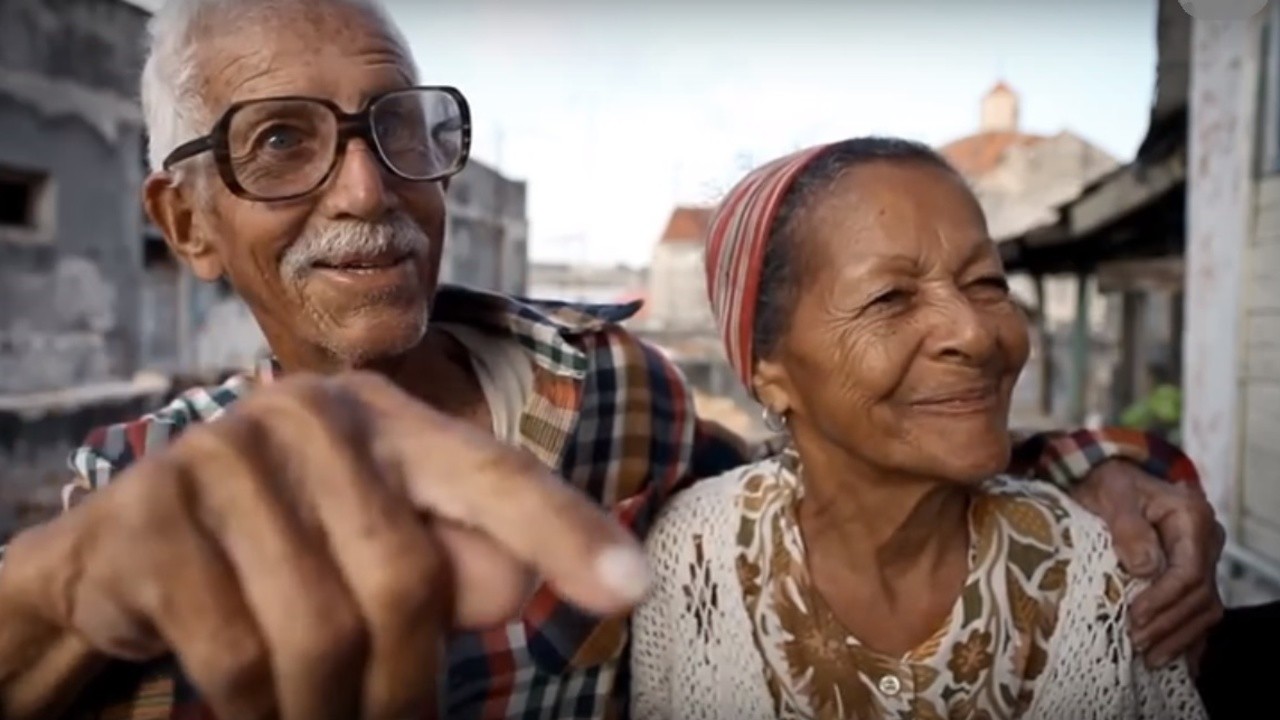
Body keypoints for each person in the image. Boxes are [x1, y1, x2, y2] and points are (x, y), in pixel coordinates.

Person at [0, 1, 1222, 719]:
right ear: (188, 223)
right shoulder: (144, 485)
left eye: (395, 128)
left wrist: (1091, 468)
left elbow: (841, 466)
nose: (367, 187)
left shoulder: (605, 389)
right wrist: (61, 591)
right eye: (280, 143)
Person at [631, 138, 1209, 719]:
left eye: (986, 284)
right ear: (768, 373)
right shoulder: (688, 560)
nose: (976, 334)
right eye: (890, 298)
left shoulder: (1109, 572)